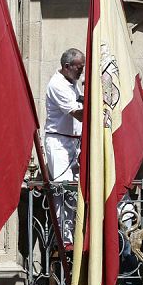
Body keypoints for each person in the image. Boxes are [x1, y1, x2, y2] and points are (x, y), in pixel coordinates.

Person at [44, 48, 85, 247]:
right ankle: (65, 240)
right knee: (63, 189)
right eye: (79, 67)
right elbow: (78, 113)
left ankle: (76, 235)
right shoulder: (57, 85)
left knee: (75, 191)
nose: (82, 71)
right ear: (67, 67)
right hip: (59, 143)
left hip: (74, 142)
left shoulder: (72, 82)